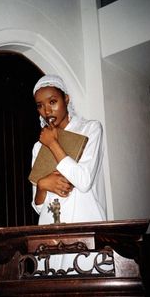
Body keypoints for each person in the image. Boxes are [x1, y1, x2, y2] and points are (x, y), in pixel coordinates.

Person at [31, 74, 107, 225]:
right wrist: (42, 185)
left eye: (52, 102)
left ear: (66, 99)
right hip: (50, 230)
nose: (47, 111)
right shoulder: (38, 146)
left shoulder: (90, 129)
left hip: (86, 224)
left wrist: (52, 143)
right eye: (40, 105)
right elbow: (39, 207)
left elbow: (83, 181)